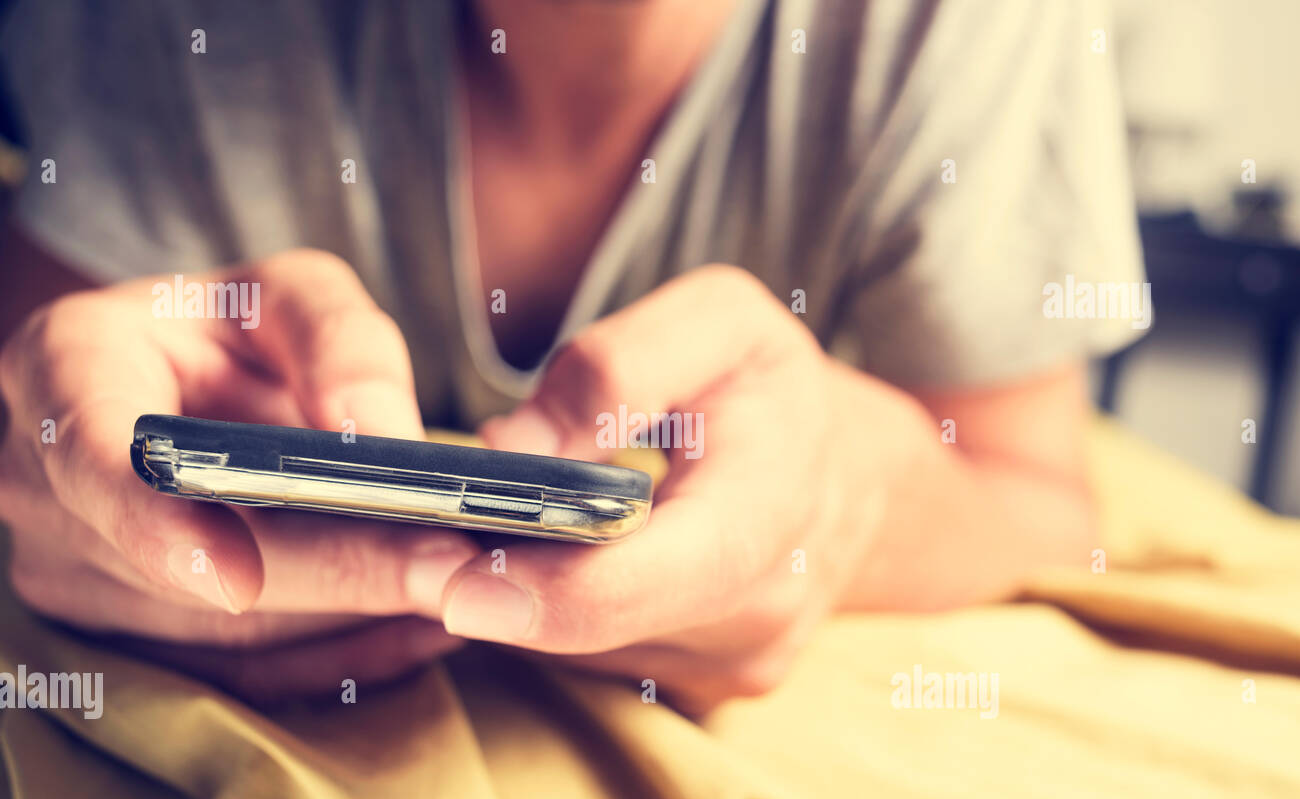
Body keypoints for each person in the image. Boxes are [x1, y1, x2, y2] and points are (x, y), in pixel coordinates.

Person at [0, 0, 1145, 713]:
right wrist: (56, 484)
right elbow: (52, 428)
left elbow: (1037, 491)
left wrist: (845, 488)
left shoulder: (970, 21)